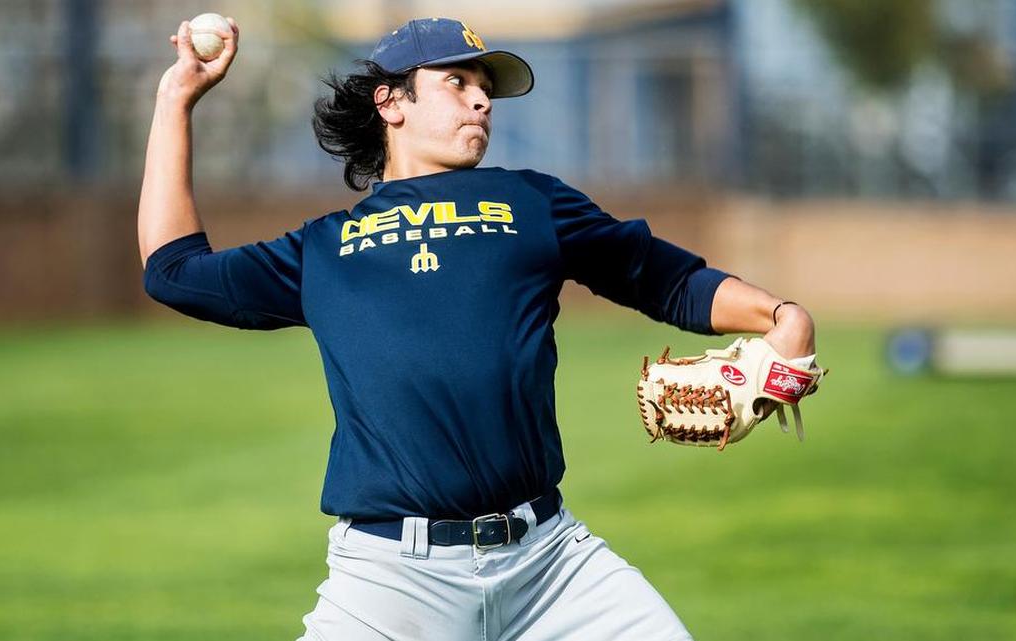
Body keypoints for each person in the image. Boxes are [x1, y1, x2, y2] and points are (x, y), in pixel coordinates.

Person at [138, 16, 817, 641]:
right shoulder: (326, 247)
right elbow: (174, 271)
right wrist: (176, 100)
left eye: (486, 88)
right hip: (391, 583)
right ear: (391, 103)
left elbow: (662, 277)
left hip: (551, 568)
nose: (481, 100)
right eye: (457, 82)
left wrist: (781, 316)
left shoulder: (532, 203)